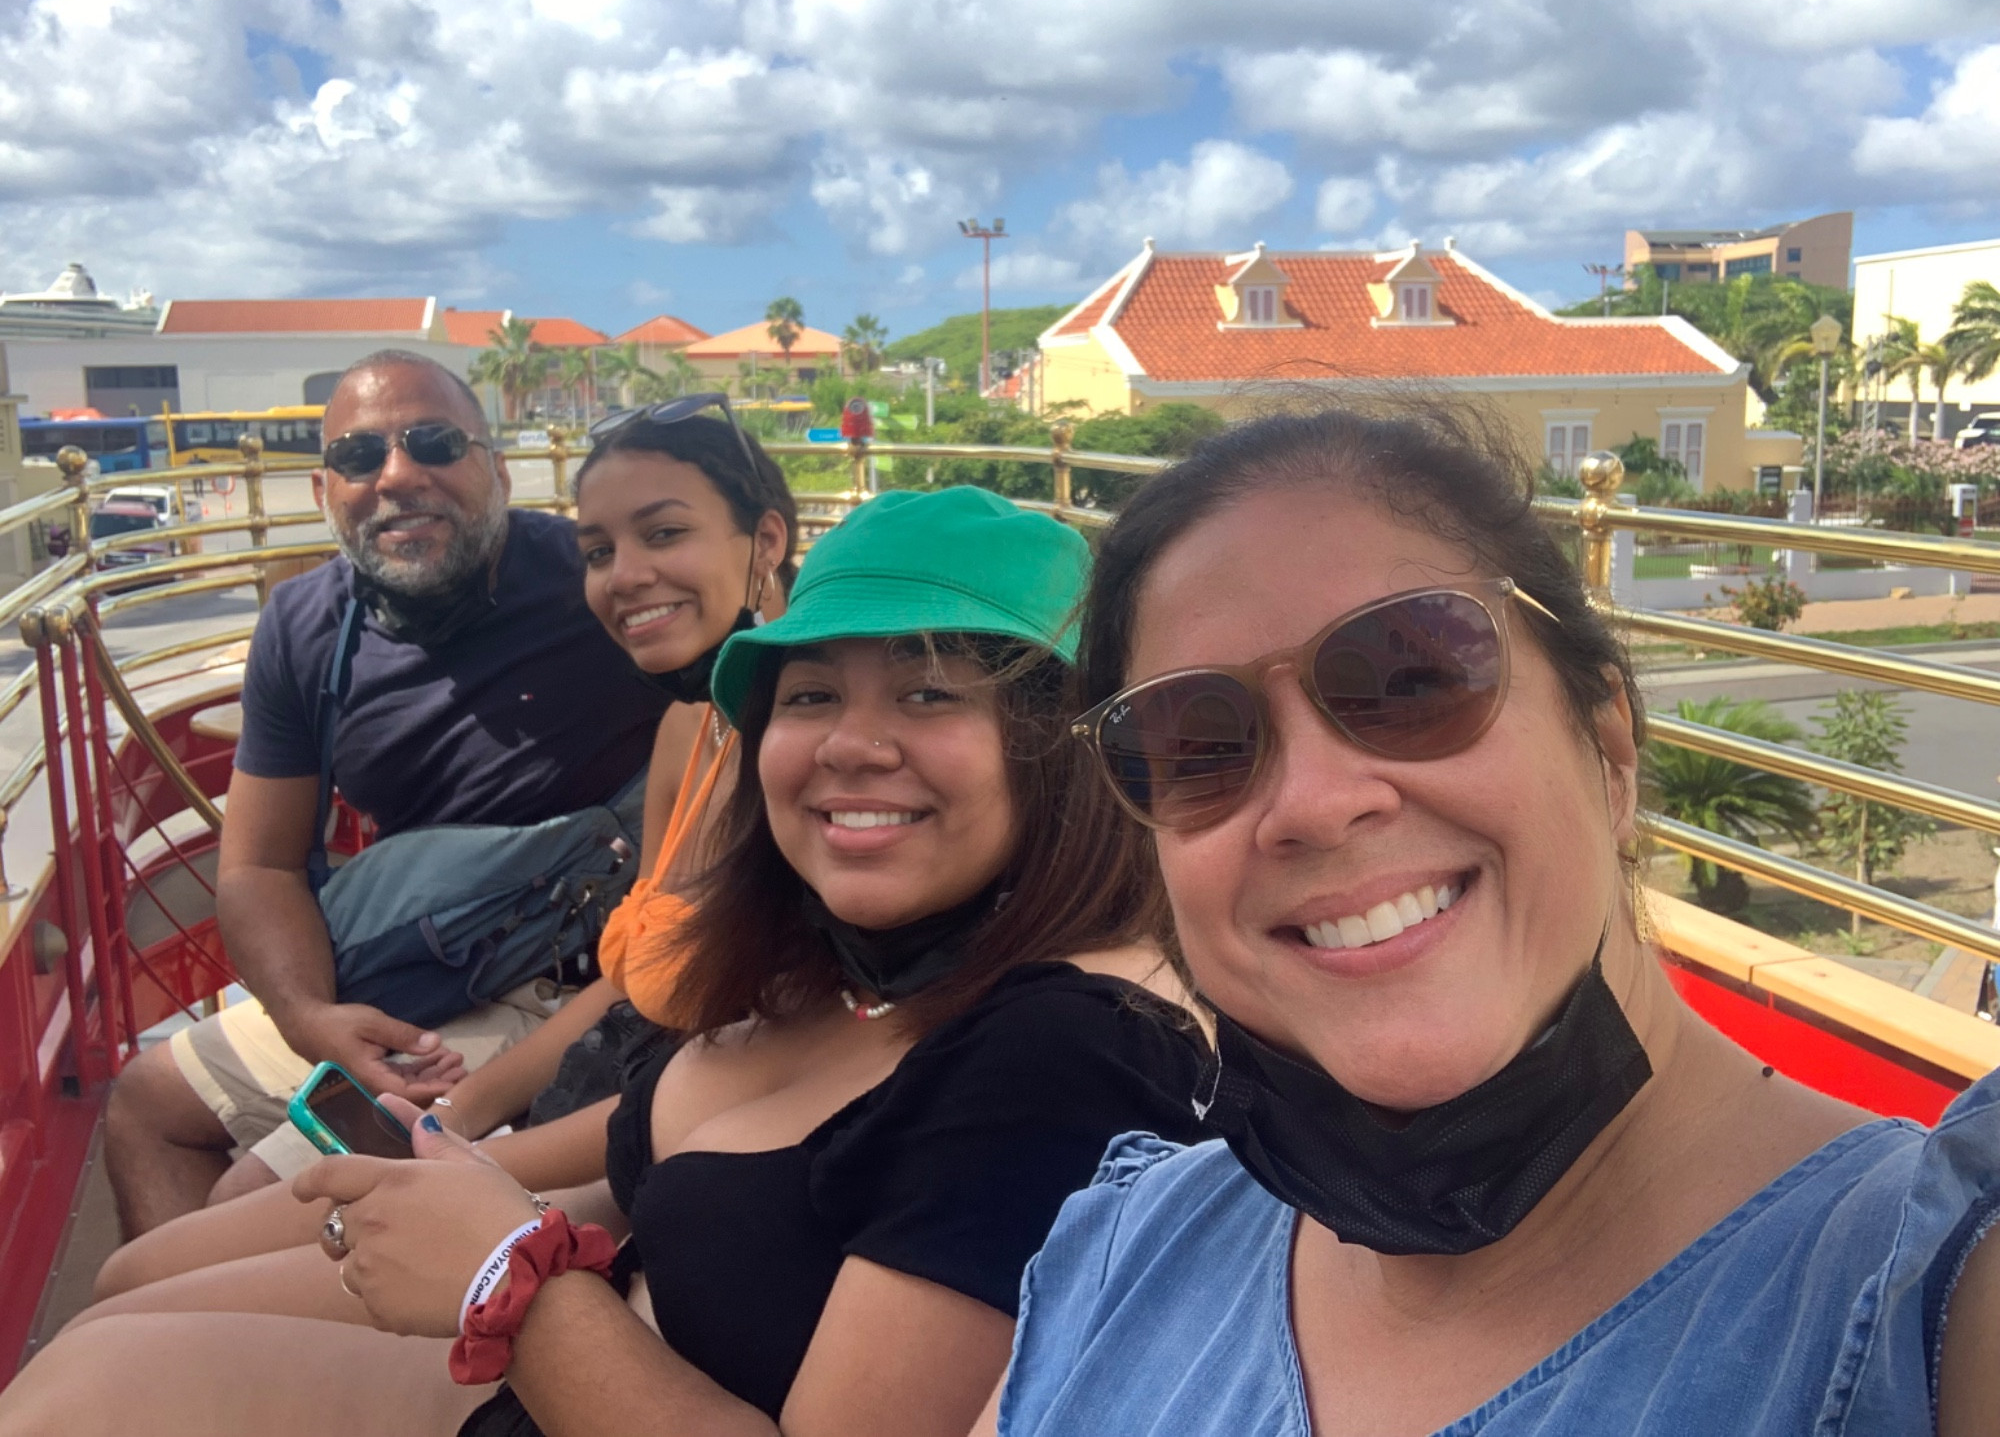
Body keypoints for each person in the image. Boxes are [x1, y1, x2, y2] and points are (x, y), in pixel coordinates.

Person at [3, 486, 1215, 1437]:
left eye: (927, 693)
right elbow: (632, 1161)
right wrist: (444, 1163)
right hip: (585, 1329)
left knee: (78, 1393)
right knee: (135, 1281)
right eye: (807, 696)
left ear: (1063, 743)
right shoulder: (853, 965)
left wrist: (506, 1275)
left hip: (581, 1362)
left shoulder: (1065, 1056)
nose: (850, 746)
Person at [993, 407, 2000, 1436]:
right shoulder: (1127, 1252)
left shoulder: (1933, 1298)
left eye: (1410, 681)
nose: (1314, 803)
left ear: (1609, 749)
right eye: (1197, 745)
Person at [89, 393, 800, 1297]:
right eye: (599, 552)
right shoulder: (691, 728)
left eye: (664, 534)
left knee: (169, 1273)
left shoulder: (799, 753)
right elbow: (642, 979)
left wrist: (460, 1152)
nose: (625, 577)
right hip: (495, 1011)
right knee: (152, 1221)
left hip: (637, 1122)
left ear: (765, 540)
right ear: (322, 488)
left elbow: (726, 1063)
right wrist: (443, 1110)